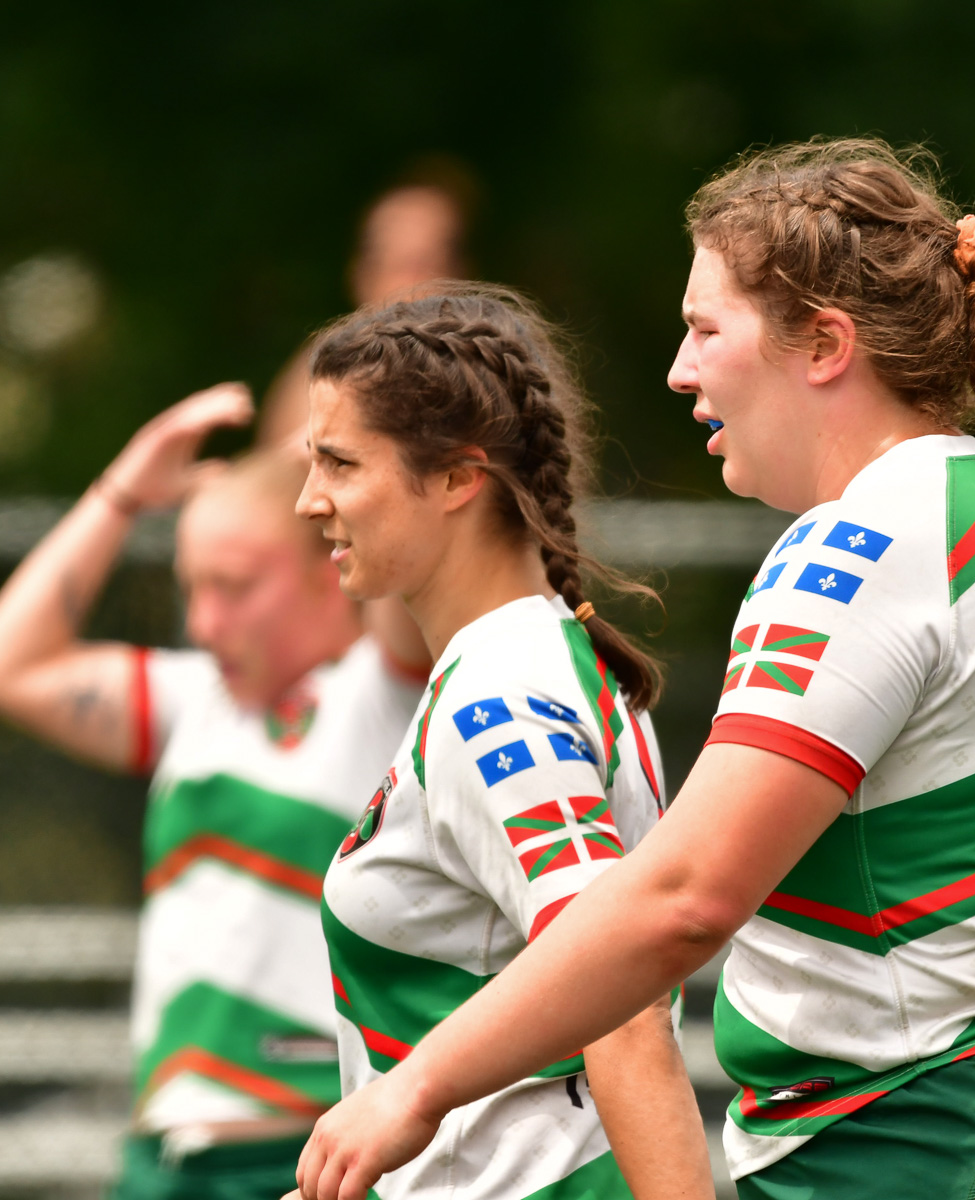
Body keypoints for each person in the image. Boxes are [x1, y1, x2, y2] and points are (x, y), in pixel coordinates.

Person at [292, 140, 975, 1200]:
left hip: (914, 1157)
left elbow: (682, 899)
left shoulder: (854, 548)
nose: (680, 371)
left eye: (705, 330)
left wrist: (416, 1087)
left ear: (822, 346)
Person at [0, 383, 430, 1200]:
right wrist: (123, 495)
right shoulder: (195, 702)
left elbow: (416, 551)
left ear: (332, 566)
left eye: (236, 586)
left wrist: (356, 457)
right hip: (163, 1160)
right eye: (191, 587)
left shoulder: (385, 692)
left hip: (317, 1155)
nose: (205, 622)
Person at [291, 285, 712, 1200]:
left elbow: (622, 1000)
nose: (307, 500)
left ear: (456, 478)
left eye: (339, 464)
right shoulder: (539, 659)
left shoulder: (505, 694)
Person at [257, 172, 474, 451]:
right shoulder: (319, 380)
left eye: (428, 263)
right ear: (360, 276)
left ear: (460, 274)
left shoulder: (487, 375)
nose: (413, 287)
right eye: (397, 265)